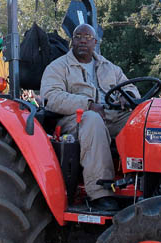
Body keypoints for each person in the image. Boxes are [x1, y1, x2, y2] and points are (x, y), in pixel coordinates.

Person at [40, 23, 139, 212]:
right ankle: (100, 191)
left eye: (87, 37)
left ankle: (146, 182)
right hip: (74, 119)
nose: (82, 40)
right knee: (92, 120)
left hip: (111, 115)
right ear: (72, 41)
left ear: (95, 42)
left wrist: (128, 97)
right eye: (78, 37)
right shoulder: (59, 67)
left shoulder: (109, 67)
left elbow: (130, 87)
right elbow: (51, 97)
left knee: (143, 119)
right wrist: (87, 104)